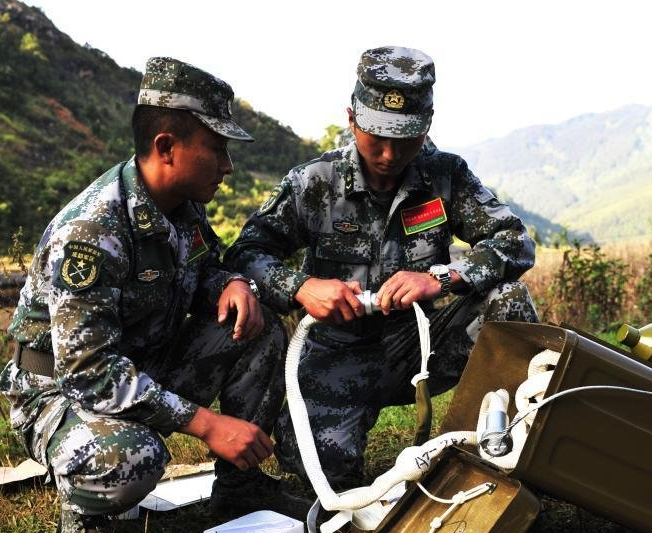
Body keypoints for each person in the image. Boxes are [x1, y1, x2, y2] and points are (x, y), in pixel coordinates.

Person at [0, 57, 305, 533]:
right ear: (166, 147)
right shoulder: (92, 233)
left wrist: (230, 284)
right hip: (60, 392)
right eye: (217, 149)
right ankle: (85, 514)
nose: (227, 166)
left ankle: (240, 489)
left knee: (258, 328)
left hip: (141, 365)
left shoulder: (182, 206)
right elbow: (90, 374)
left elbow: (202, 269)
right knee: (133, 458)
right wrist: (208, 424)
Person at [225, 46, 539, 489]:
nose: (390, 154)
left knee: (507, 301)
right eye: (377, 136)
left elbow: (515, 241)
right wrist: (302, 287)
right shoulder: (315, 182)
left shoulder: (444, 175)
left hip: (424, 342)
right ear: (352, 118)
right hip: (338, 352)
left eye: (405, 138)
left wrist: (440, 278)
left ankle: (493, 449)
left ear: (427, 125)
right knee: (319, 470)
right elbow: (246, 254)